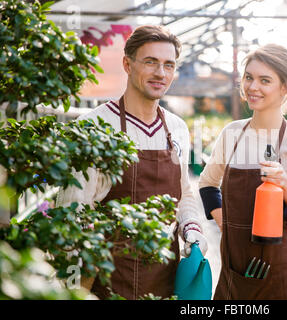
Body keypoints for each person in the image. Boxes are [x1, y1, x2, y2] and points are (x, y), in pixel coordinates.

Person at [56, 25, 207, 300]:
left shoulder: (177, 129)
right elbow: (72, 213)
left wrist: (192, 228)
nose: (160, 73)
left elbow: (184, 192)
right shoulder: (92, 126)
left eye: (168, 65)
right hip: (106, 278)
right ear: (127, 64)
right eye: (150, 62)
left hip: (166, 275)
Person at [198, 44, 287, 299]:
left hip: (284, 280)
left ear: (285, 88)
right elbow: (207, 184)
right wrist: (227, 227)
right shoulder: (232, 134)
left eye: (265, 80)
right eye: (249, 77)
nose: (253, 87)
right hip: (235, 275)